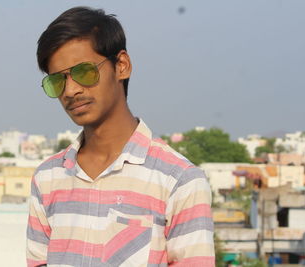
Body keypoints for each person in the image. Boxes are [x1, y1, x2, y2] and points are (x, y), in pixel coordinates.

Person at [26, 6, 215, 267]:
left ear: (122, 66)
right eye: (57, 81)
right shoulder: (47, 178)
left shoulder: (178, 180)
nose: (70, 90)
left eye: (84, 72)